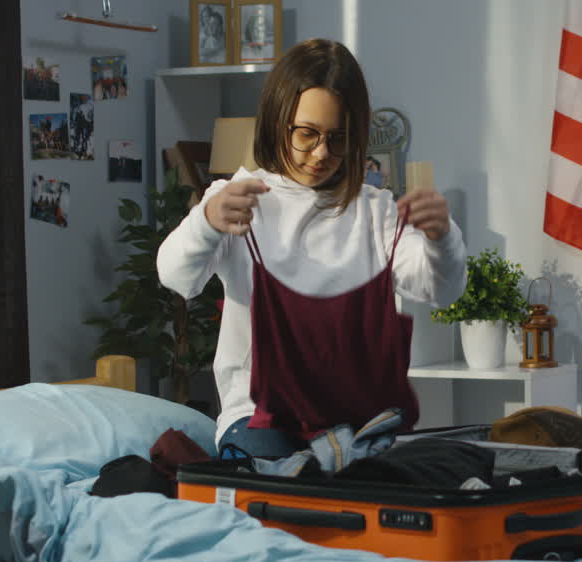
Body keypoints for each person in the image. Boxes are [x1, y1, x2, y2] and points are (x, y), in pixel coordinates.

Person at [157, 37, 467, 459]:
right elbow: (175, 276)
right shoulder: (238, 197)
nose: (321, 153)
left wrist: (441, 239)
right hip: (257, 417)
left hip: (355, 422)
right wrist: (206, 222)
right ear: (277, 119)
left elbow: (443, 290)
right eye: (307, 134)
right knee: (287, 493)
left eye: (338, 138)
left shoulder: (375, 211)